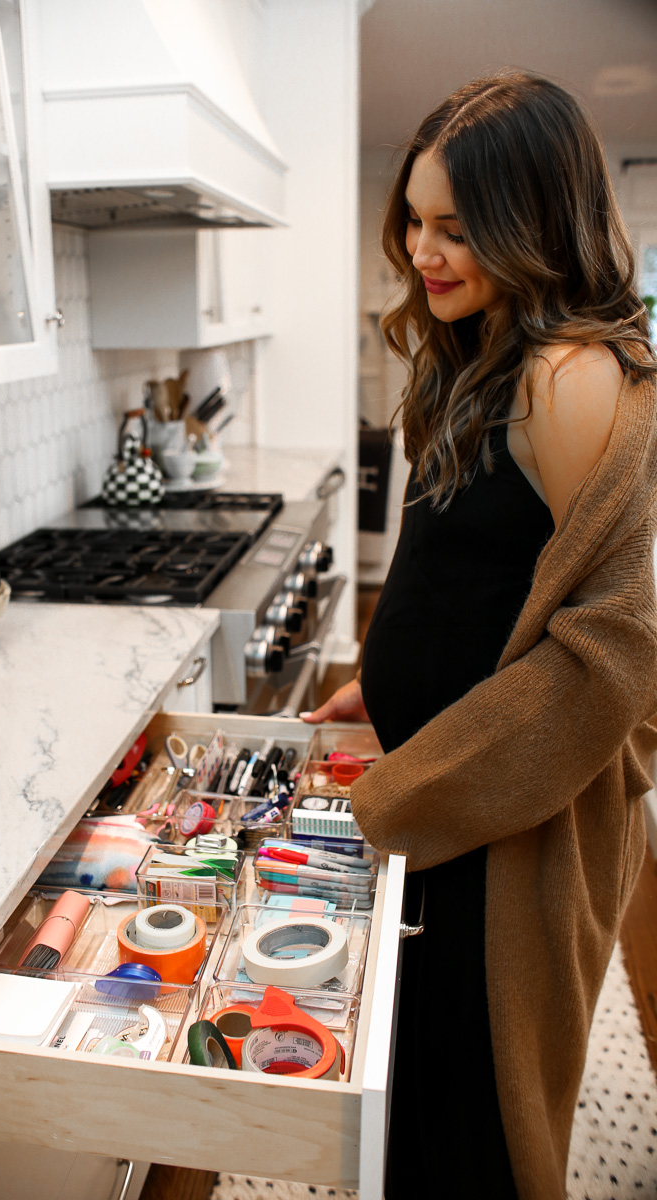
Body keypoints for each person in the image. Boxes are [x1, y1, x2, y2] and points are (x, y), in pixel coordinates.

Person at [303, 72, 657, 1200]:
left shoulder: (568, 376)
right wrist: (380, 678)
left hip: (503, 820)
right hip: (451, 797)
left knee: (474, 1123)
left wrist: (404, 793)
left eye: (456, 227)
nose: (422, 250)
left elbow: (616, 653)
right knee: (411, 1090)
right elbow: (457, 568)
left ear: (535, 223)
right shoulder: (478, 355)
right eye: (412, 219)